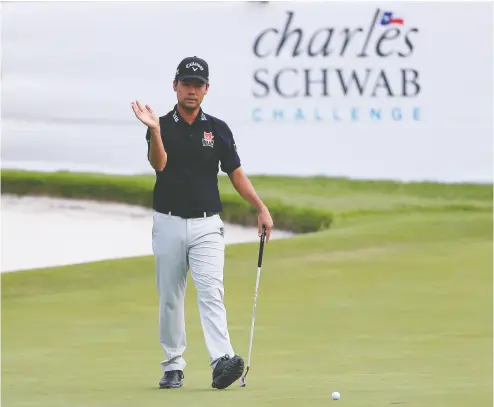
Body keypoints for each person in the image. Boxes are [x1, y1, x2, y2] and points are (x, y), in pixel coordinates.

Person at [130, 56, 274, 390]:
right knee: (170, 296)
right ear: (175, 86)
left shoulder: (218, 130)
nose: (191, 91)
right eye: (186, 84)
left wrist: (260, 207)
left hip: (207, 225)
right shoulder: (160, 124)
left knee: (211, 292)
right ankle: (173, 365)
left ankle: (222, 360)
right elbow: (159, 164)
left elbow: (235, 173)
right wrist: (153, 131)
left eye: (198, 85)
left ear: (206, 89)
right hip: (167, 222)